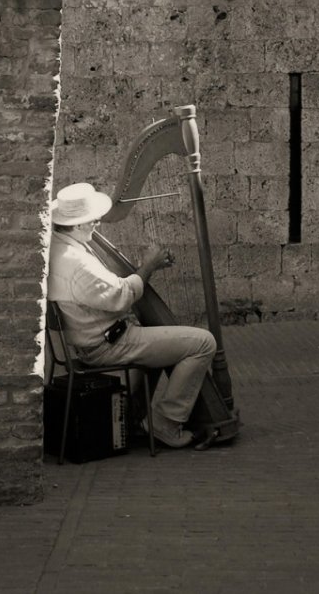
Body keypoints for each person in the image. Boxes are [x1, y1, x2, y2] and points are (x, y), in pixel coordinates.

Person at [48, 182, 217, 449]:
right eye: (92, 220)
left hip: (88, 341)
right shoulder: (76, 263)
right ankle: (166, 421)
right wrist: (149, 265)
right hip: (105, 346)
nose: (98, 224)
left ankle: (134, 416)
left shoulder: (59, 246)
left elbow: (107, 290)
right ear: (79, 225)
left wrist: (142, 269)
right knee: (203, 342)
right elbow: (122, 296)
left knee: (161, 336)